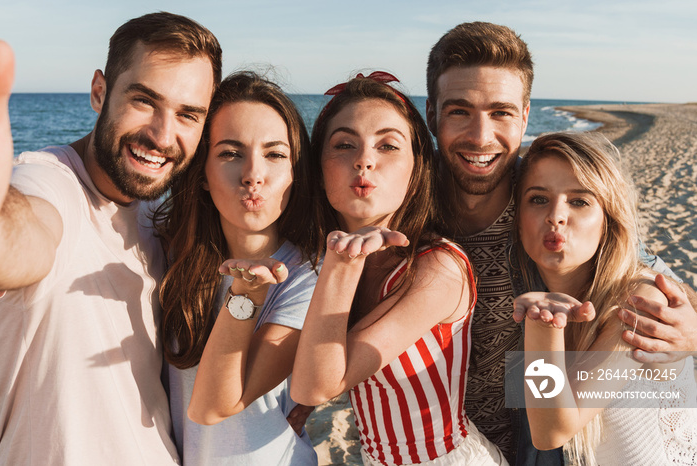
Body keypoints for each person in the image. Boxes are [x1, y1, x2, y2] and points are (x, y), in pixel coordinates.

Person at [424, 21, 697, 464]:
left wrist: (687, 330)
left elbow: (638, 272)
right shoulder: (407, 209)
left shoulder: (540, 197)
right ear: (432, 114)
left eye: (501, 112)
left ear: (525, 115)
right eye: (459, 111)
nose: (480, 136)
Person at [0, 12, 221, 464]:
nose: (162, 135)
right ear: (100, 92)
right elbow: (16, 240)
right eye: (144, 101)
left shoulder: (161, 213)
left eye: (188, 115)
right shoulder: (50, 185)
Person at [291, 73, 507, 465]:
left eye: (388, 145)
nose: (364, 159)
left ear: (416, 168)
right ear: (319, 171)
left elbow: (314, 385)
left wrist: (342, 263)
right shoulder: (325, 264)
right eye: (344, 144)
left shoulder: (438, 267)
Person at [154, 71, 318, 465]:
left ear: (295, 172)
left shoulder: (305, 276)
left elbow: (212, 406)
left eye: (275, 154)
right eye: (230, 153)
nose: (253, 175)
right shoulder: (168, 250)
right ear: (203, 174)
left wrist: (245, 296)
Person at [513, 131, 697, 465]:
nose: (556, 215)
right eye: (539, 199)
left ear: (607, 221)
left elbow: (551, 430)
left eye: (579, 201)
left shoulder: (639, 302)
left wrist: (543, 323)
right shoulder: (542, 289)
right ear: (518, 218)